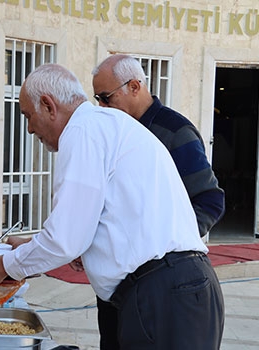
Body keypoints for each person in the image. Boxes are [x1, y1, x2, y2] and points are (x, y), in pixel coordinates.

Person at [0, 63, 224, 349]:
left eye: (28, 116)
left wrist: (3, 266)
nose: (29, 129)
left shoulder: (82, 130)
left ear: (48, 105)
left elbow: (65, 239)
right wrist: (45, 246)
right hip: (178, 291)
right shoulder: (108, 125)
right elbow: (97, 222)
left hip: (163, 294)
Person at [90, 54, 226, 349]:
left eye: (105, 98)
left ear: (135, 86)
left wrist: (164, 235)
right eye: (96, 99)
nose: (100, 107)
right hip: (119, 288)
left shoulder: (175, 132)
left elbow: (210, 200)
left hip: (162, 284)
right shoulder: (111, 134)